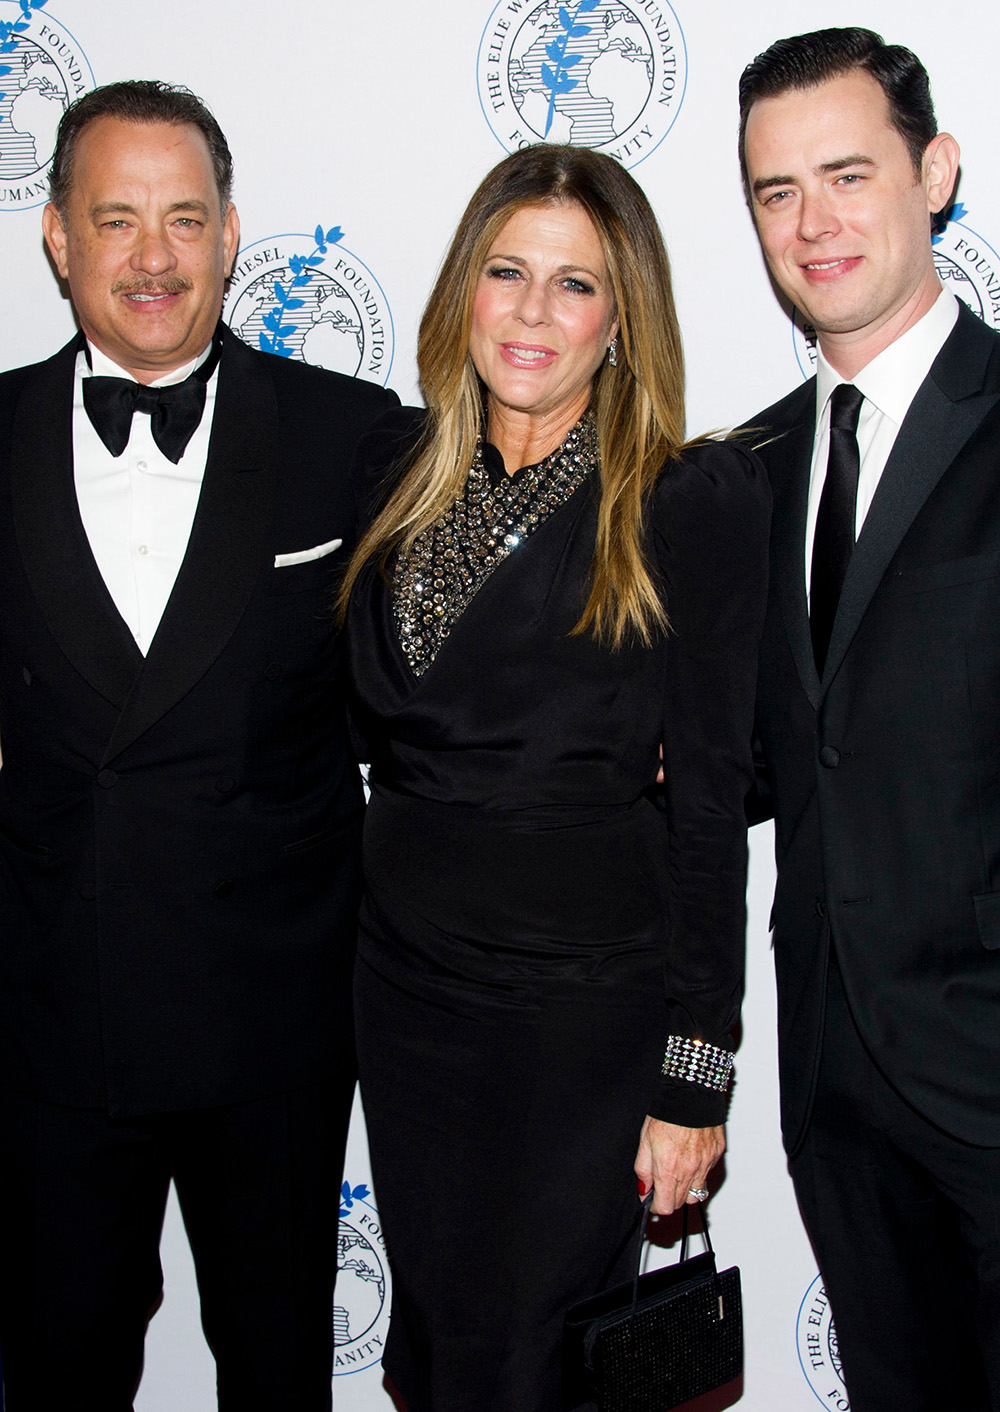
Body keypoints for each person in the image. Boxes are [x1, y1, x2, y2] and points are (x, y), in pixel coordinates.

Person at [338, 143, 769, 1411]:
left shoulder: (685, 501)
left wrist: (694, 1076)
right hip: (405, 998)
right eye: (506, 271)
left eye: (575, 284)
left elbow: (708, 814)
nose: (532, 311)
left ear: (621, 317)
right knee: (442, 1348)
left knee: (536, 1361)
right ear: (462, 288)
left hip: (580, 1021)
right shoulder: (391, 474)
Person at [0, 81, 396, 1410]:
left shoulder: (352, 435)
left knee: (278, 1379)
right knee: (58, 1375)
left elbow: (459, 657)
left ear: (232, 234)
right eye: (116, 218)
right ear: (58, 235)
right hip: (50, 1026)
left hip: (272, 1030)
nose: (153, 256)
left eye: (184, 217)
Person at [741, 27, 1000, 1410]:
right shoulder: (748, 469)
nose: (813, 224)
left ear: (935, 173)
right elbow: (753, 760)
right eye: (776, 191)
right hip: (834, 1088)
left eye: (847, 175)